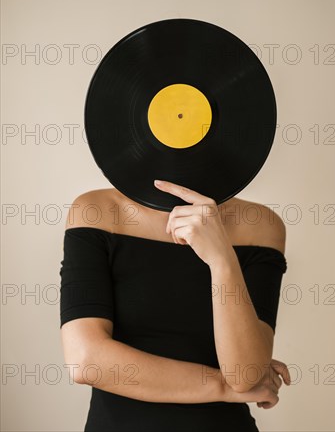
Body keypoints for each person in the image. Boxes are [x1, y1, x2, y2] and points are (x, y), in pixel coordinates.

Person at [59, 183, 291, 432]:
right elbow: (86, 362)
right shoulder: (96, 210)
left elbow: (244, 376)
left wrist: (221, 259)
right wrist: (223, 388)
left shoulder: (261, 225)